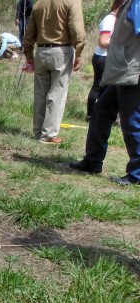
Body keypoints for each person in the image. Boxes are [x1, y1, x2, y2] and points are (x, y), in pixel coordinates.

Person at [70, 0, 140, 186]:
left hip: (132, 73)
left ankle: (137, 174)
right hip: (120, 71)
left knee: (132, 123)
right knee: (100, 113)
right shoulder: (129, 3)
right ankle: (93, 161)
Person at [22, 0, 85, 144]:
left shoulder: (39, 3)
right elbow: (77, 28)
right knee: (57, 94)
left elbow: (30, 31)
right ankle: (49, 134)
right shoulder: (72, 2)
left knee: (40, 94)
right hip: (62, 51)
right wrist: (79, 51)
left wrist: (29, 54)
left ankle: (38, 131)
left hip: (41, 51)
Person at [86, 0, 123, 120]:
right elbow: (103, 41)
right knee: (98, 86)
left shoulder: (115, 20)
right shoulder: (110, 19)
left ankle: (98, 114)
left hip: (107, 57)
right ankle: (91, 114)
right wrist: (121, 42)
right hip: (103, 57)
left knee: (105, 87)